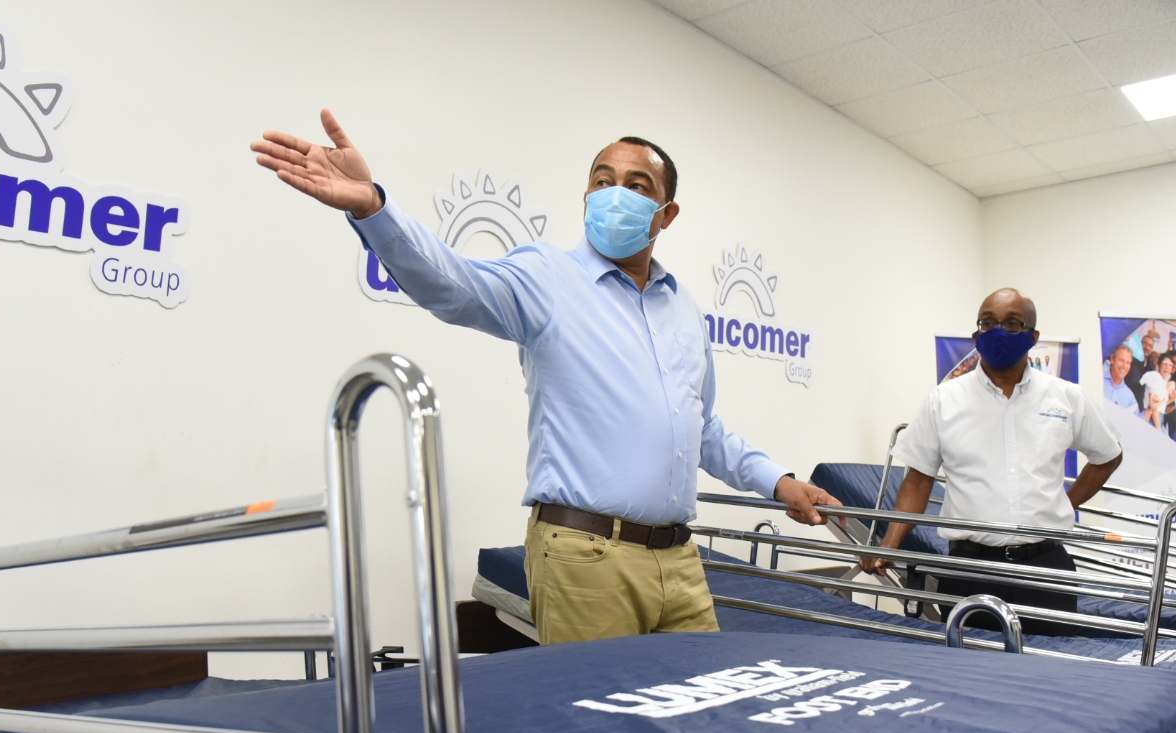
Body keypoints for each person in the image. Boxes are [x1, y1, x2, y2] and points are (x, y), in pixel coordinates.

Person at [252, 112, 838, 645]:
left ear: (667, 214)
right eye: (603, 180)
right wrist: (372, 208)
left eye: (638, 188)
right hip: (586, 556)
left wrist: (780, 483)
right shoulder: (548, 277)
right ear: (585, 194)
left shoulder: (682, 308)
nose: (615, 195)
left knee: (701, 716)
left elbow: (701, 427)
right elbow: (450, 284)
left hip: (680, 561)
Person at [859, 288, 1123, 635]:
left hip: (1046, 569)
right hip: (971, 569)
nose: (999, 331)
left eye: (1012, 324)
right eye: (989, 323)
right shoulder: (944, 401)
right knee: (970, 675)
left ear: (1033, 336)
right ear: (976, 335)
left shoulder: (1067, 398)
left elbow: (1108, 456)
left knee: (1053, 675)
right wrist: (889, 543)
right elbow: (918, 480)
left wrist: (1067, 502)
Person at [1103, 345, 1142, 415]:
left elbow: (1137, 423)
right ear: (1112, 359)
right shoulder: (1097, 381)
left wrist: (1150, 408)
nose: (1124, 366)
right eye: (1121, 360)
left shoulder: (1130, 397)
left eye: (1128, 363)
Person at [1138, 352, 1174, 429]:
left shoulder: (1162, 380)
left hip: (1158, 418)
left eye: (1170, 365)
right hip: (1152, 419)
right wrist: (1159, 430)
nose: (1167, 367)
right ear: (1159, 365)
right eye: (1164, 364)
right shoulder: (1155, 377)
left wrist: (1172, 399)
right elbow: (1154, 407)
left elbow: (1160, 404)